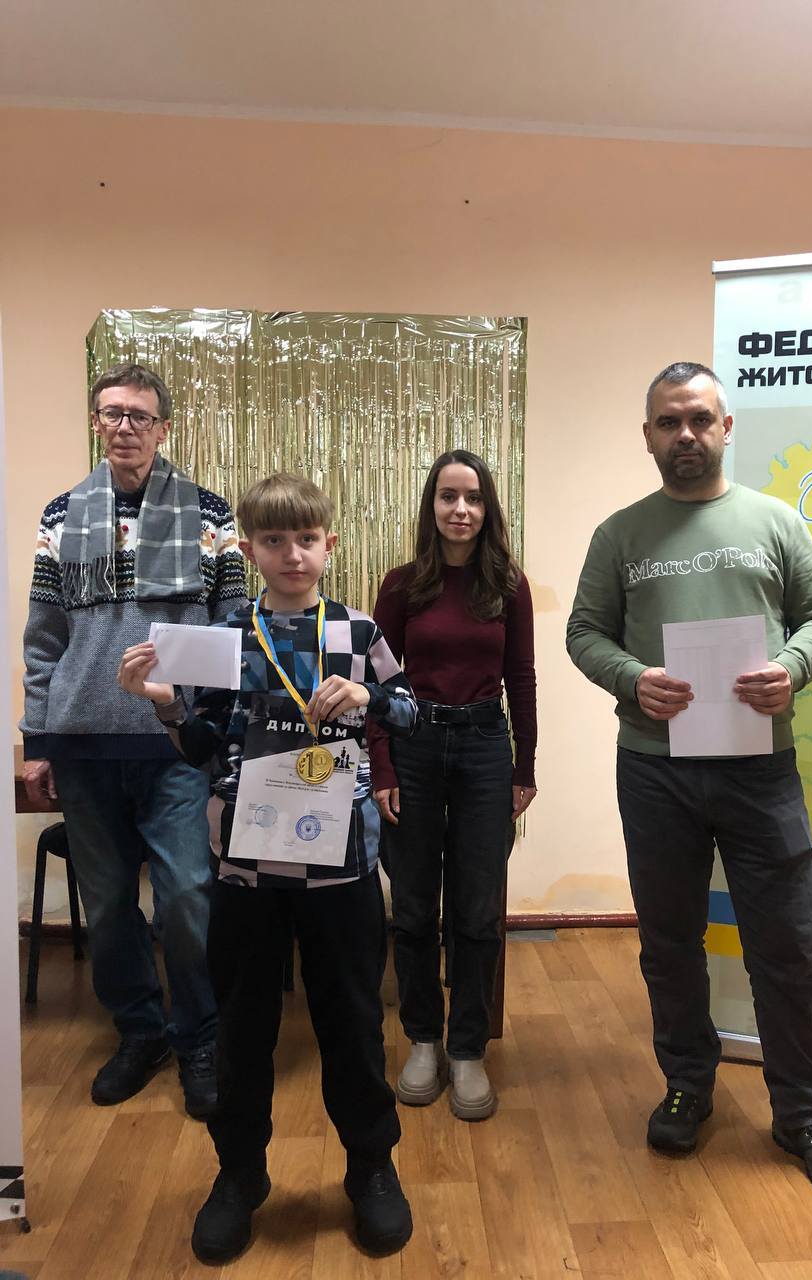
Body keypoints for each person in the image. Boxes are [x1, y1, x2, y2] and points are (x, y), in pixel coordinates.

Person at [566, 361, 812, 1199]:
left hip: (759, 768)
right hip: (654, 769)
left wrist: (792, 669)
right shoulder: (620, 534)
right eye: (669, 422)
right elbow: (584, 632)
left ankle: (803, 1114)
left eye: (700, 418)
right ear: (649, 436)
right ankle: (688, 1086)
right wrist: (632, 678)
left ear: (726, 427)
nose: (686, 434)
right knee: (669, 943)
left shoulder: (775, 521)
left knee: (790, 947)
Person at [118, 473, 417, 1264]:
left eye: (306, 539)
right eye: (275, 541)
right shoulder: (227, 635)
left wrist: (371, 698)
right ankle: (239, 1174)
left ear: (329, 544)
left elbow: (412, 710)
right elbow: (202, 747)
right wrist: (163, 703)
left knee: (353, 1021)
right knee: (244, 1027)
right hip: (247, 867)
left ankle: (371, 1165)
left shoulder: (356, 629)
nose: (293, 554)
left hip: (341, 866)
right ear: (249, 550)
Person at [21, 363, 246, 1118]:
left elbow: (232, 625)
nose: (125, 427)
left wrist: (211, 723)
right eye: (112, 413)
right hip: (83, 742)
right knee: (110, 902)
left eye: (139, 416)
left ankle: (199, 1036)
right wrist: (37, 740)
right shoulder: (60, 515)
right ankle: (140, 1032)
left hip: (173, 742)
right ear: (96, 422)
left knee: (185, 896)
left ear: (163, 429)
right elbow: (44, 637)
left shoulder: (210, 514)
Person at [370, 449, 537, 1120]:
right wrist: (382, 767)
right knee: (413, 908)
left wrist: (526, 765)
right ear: (431, 506)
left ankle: (467, 1050)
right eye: (448, 496)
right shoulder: (401, 586)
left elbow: (521, 677)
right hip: (413, 747)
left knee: (476, 911)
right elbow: (378, 684)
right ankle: (423, 1041)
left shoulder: (508, 586)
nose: (461, 509)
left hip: (484, 750)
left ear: (487, 507)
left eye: (472, 497)